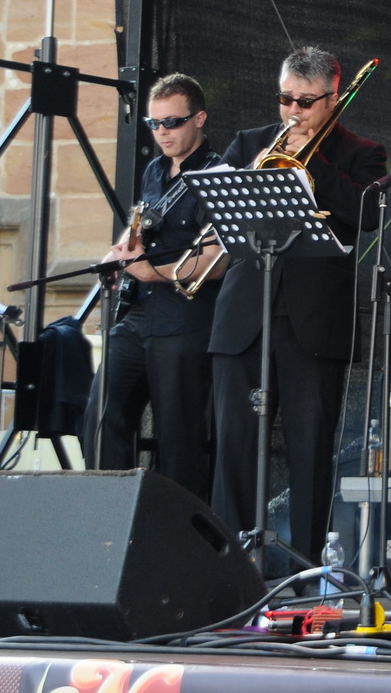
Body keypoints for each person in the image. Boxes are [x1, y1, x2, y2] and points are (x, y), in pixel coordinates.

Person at [210, 47, 385, 563]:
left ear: (333, 98)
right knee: (235, 449)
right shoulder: (249, 143)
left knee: (310, 453)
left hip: (314, 322)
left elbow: (367, 214)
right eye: (286, 99)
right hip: (245, 315)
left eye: (306, 102)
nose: (294, 112)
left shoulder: (361, 152)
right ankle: (227, 567)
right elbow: (213, 204)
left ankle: (307, 571)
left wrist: (319, 164)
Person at [85, 73, 226, 499]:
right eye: (154, 124)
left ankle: (180, 543)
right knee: (99, 416)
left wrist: (152, 272)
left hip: (185, 322)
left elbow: (217, 259)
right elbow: (140, 231)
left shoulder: (219, 173)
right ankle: (108, 516)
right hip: (137, 317)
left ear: (199, 118)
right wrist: (121, 252)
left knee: (179, 439)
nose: (162, 132)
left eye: (173, 123)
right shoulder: (152, 170)